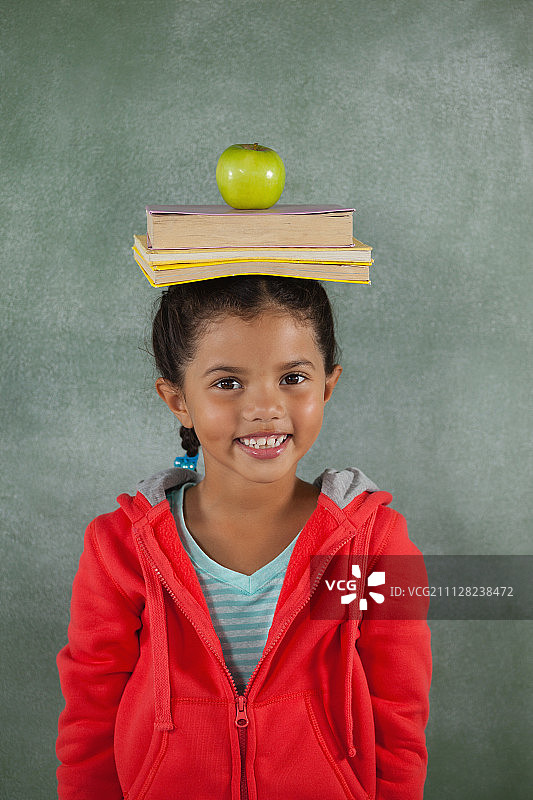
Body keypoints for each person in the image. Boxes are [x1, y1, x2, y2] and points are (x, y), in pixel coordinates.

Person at [56, 275, 432, 800]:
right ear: (177, 399)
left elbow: (400, 718)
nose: (265, 406)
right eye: (228, 383)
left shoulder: (373, 546)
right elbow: (90, 718)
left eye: (293, 378)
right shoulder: (120, 548)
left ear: (327, 386)